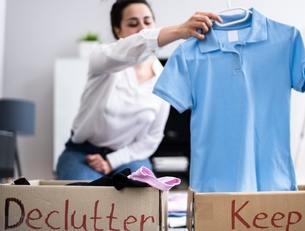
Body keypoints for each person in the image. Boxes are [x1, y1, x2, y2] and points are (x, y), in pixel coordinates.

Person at [56, 0, 222, 180]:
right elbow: (134, 46)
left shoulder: (163, 77)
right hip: (82, 153)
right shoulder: (102, 59)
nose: (143, 29)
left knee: (142, 194)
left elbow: (151, 138)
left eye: (148, 22)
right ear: (117, 30)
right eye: (133, 24)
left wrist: (111, 161)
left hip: (128, 156)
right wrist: (178, 31)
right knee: (83, 198)